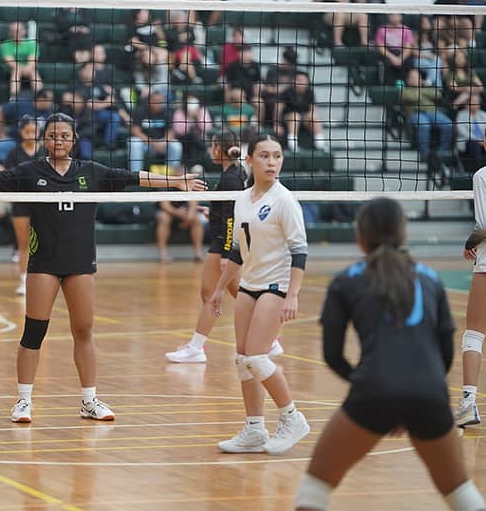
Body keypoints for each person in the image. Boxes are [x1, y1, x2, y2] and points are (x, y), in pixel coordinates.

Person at [0, 112, 207, 423]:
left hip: (80, 263)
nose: (58, 140)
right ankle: (24, 400)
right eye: (53, 135)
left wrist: (175, 181)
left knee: (84, 330)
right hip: (44, 262)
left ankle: (89, 401)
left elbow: (134, 176)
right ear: (44, 139)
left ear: (74, 140)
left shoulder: (91, 171)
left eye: (64, 135)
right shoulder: (30, 171)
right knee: (34, 332)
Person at [295, 197, 486, 511]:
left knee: (314, 489)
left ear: (359, 237)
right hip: (430, 394)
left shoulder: (345, 281)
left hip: (372, 391)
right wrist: (415, 392)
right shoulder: (430, 278)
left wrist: (376, 388)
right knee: (460, 492)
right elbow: (446, 352)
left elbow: (333, 355)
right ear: (404, 234)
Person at [210, 134, 310, 455]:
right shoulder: (242, 199)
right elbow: (238, 251)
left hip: (276, 285)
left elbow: (300, 252)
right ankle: (254, 429)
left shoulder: (284, 200)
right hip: (249, 285)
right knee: (242, 360)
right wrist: (217, 289)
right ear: (250, 160)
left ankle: (292, 418)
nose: (271, 162)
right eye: (264, 156)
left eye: (277, 156)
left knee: (256, 356)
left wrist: (293, 294)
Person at [166, 131, 283, 363]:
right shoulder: (233, 173)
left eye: (212, 146)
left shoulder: (231, 178)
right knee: (239, 293)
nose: (211, 150)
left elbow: (233, 217)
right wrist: (214, 214)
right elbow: (232, 212)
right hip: (226, 239)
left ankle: (196, 348)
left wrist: (228, 251)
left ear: (218, 148)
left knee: (210, 294)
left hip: (224, 244)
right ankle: (271, 341)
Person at [455, 154, 486, 428]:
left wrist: (469, 243)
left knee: (474, 333)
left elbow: (484, 225)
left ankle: (468, 403)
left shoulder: (482, 175)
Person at [5, 115, 46, 294]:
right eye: (27, 131)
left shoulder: (46, 150)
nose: (31, 134)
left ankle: (44, 280)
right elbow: (8, 178)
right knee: (24, 244)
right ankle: (24, 280)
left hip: (44, 203)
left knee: (44, 244)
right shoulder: (13, 154)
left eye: (34, 131)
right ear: (21, 132)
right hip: (21, 203)